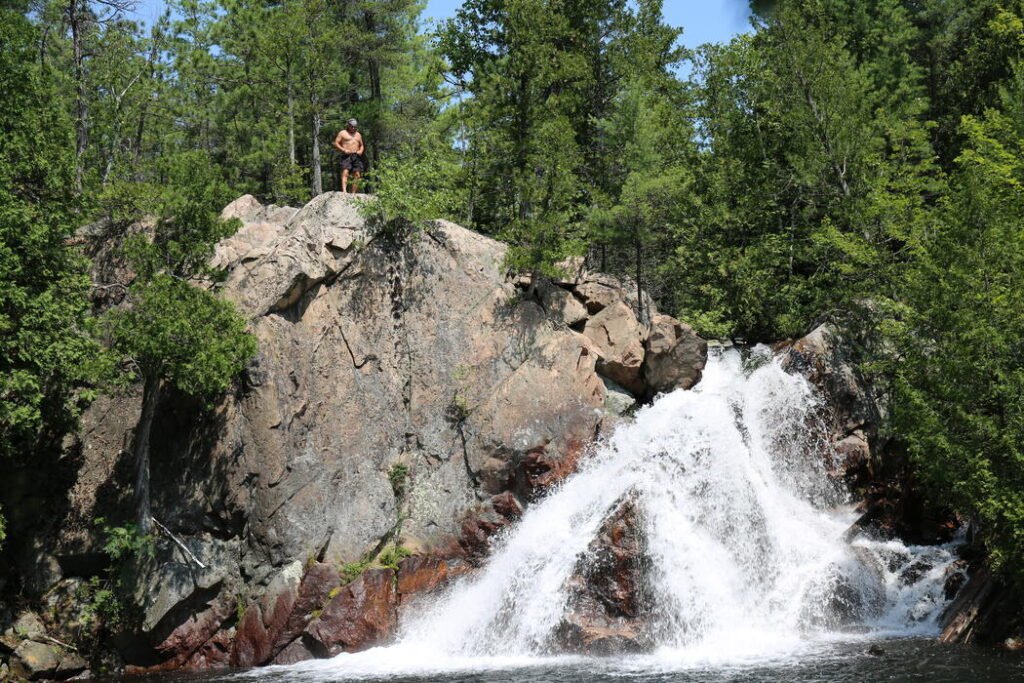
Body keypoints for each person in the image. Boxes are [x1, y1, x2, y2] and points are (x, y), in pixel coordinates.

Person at [333, 118, 365, 194]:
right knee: (345, 172)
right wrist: (343, 150)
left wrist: (360, 151)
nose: (353, 128)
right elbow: (336, 143)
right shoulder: (342, 133)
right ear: (348, 125)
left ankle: (353, 193)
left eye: (355, 127)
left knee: (357, 174)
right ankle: (344, 191)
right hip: (346, 155)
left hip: (356, 155)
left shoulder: (358, 134)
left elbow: (362, 145)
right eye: (351, 126)